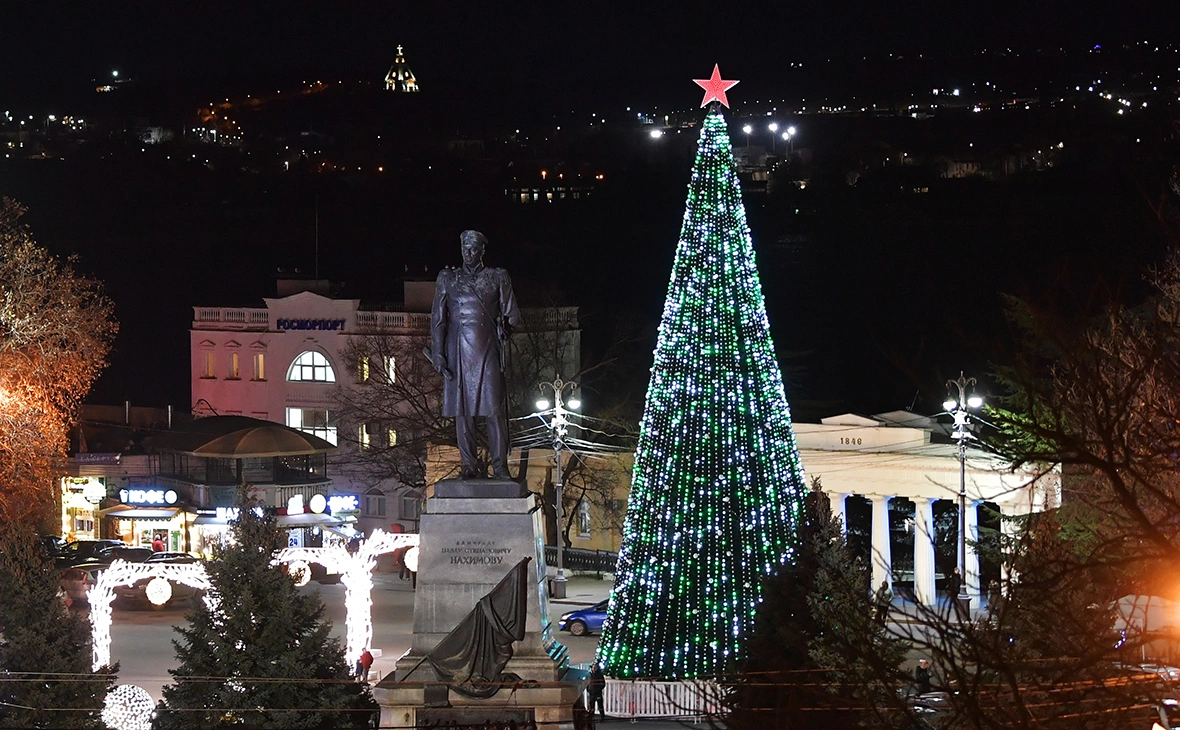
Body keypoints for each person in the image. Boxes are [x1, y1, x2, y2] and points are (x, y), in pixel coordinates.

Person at [430, 230, 521, 480]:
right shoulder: (448, 279)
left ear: (482, 251)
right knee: (463, 413)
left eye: (473, 249)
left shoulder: (497, 277)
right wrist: (438, 354)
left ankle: (500, 466)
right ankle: (468, 465)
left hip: (488, 350)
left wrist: (506, 328)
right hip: (457, 350)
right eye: (465, 249)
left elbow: (512, 314)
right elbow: (438, 320)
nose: (468, 254)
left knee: (494, 411)